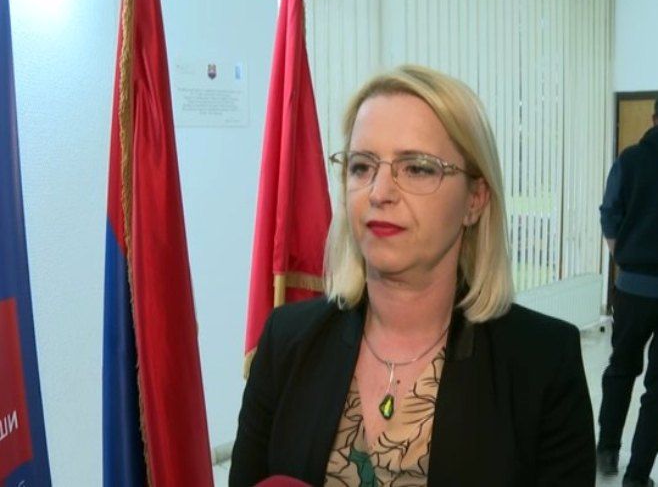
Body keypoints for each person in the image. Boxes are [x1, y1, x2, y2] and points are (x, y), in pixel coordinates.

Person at [230, 65, 595, 486]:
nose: (379, 192)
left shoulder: (544, 362)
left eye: (417, 168)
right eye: (362, 166)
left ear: (475, 200)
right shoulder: (287, 340)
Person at [597, 98, 658, 487]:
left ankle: (606, 451)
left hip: (633, 287)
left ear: (654, 117)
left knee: (621, 368)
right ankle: (637, 476)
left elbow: (610, 214)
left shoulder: (631, 159)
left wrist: (624, 257)